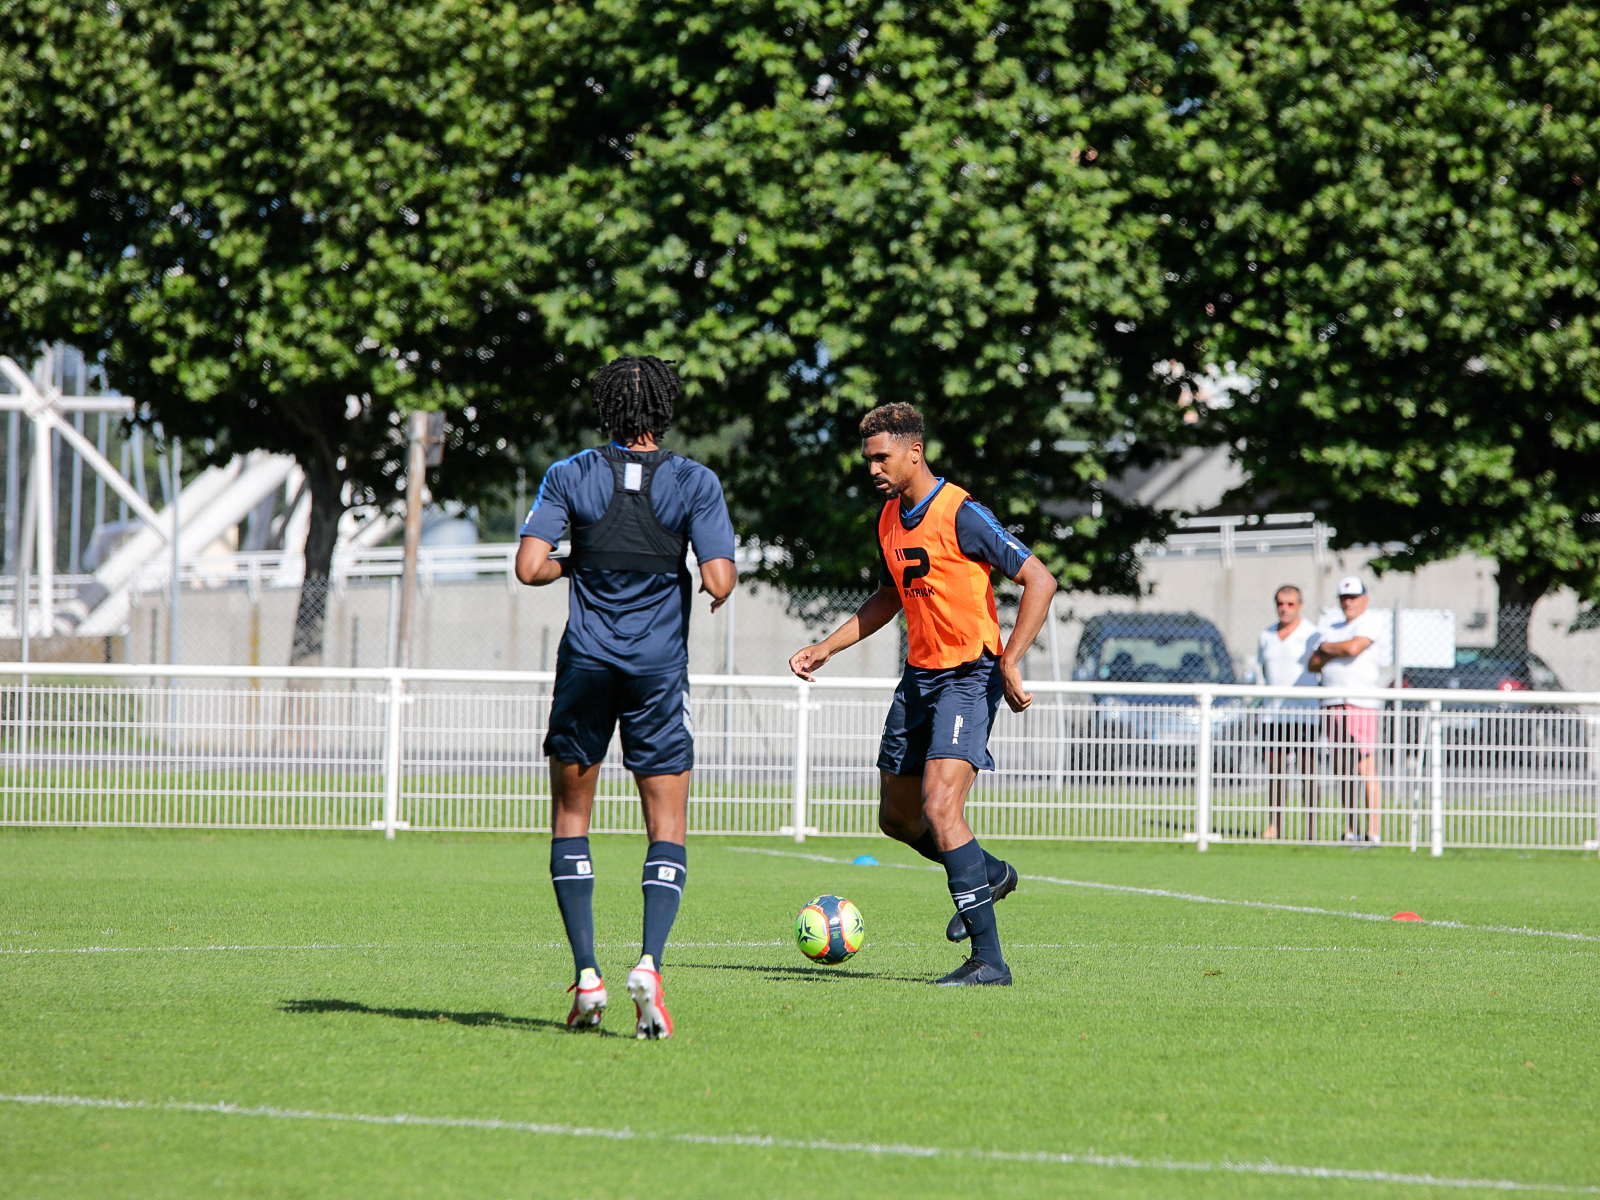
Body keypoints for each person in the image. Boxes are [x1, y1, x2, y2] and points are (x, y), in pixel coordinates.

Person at [787, 403, 1058, 986]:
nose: (873, 468)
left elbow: (1040, 578)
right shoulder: (887, 518)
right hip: (920, 676)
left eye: (882, 457)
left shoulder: (961, 512)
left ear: (914, 451)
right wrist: (826, 647)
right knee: (899, 818)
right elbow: (889, 598)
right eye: (868, 459)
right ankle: (989, 874)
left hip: (969, 675)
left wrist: (1010, 660)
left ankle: (989, 962)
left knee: (941, 808)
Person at [515, 355, 736, 1038]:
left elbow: (529, 568)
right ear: (665, 413)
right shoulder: (694, 481)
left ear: (606, 411)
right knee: (665, 824)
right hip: (658, 671)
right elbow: (721, 580)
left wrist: (580, 558)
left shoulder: (570, 474)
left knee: (572, 816)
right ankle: (649, 965)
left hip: (585, 664)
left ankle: (587, 976)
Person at [1308, 576, 1384, 845]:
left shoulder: (1370, 622)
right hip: (1332, 703)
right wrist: (1332, 649)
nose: (1348, 602)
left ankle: (1372, 831)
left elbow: (1353, 647)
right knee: (1343, 767)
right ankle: (1350, 829)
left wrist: (1327, 648)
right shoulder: (1331, 627)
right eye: (1344, 598)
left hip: (1361, 702)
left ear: (1365, 598)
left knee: (1364, 765)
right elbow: (1313, 662)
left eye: (1353, 597)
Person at [1256, 585, 1322, 840]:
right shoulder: (1266, 635)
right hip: (1274, 717)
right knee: (1275, 774)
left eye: (1290, 604)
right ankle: (1275, 826)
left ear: (1300, 605)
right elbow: (1263, 671)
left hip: (1305, 717)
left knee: (1308, 773)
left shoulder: (1313, 635)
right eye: (1280, 603)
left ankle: (1310, 831)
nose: (1284, 608)